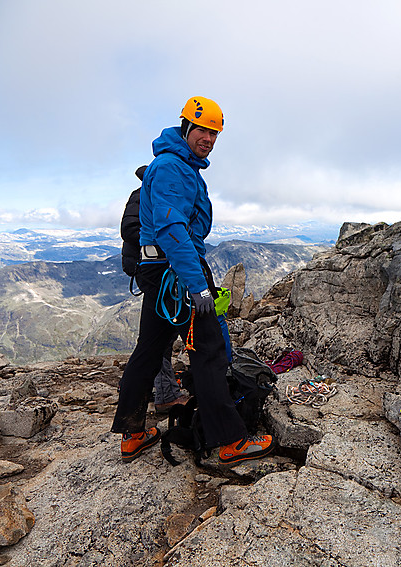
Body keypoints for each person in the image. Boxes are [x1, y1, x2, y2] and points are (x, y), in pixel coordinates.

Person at [111, 96, 272, 464]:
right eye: (203, 130)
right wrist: (197, 284)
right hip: (176, 274)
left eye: (214, 134)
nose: (209, 139)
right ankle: (231, 441)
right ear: (186, 127)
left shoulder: (180, 166)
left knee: (149, 350)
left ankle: (132, 434)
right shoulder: (172, 168)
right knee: (209, 349)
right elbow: (172, 230)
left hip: (160, 274)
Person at [120, 165, 189, 413]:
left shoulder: (151, 196)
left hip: (157, 273)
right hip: (154, 274)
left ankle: (163, 392)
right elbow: (128, 229)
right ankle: (166, 395)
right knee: (160, 337)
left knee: (160, 337)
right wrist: (164, 233)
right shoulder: (142, 196)